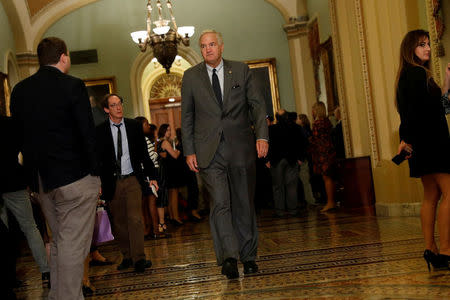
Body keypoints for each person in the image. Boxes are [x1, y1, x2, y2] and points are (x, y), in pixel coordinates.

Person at [10, 37, 101, 299]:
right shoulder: (72, 85)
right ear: (63, 57)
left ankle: (57, 296)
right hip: (75, 177)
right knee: (73, 246)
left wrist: (30, 178)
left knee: (60, 242)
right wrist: (97, 173)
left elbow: (20, 137)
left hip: (41, 179)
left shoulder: (20, 90)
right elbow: (87, 133)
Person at [181, 29, 269, 279]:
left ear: (221, 47)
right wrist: (189, 151)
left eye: (211, 44)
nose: (207, 49)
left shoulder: (241, 70)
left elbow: (257, 105)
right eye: (203, 46)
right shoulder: (190, 77)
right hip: (209, 152)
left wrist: (262, 136)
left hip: (241, 148)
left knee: (243, 202)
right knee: (220, 204)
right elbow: (186, 116)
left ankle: (249, 256)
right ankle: (229, 258)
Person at [395, 29, 450, 270]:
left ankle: (431, 249)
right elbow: (424, 112)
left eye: (428, 44)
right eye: (421, 45)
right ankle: (447, 250)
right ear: (411, 50)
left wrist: (446, 84)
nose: (427, 48)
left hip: (420, 144)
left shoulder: (406, 75)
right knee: (449, 193)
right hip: (433, 142)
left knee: (431, 196)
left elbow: (433, 108)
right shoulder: (417, 74)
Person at [96, 93, 158, 273]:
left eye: (120, 104)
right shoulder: (100, 131)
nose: (118, 108)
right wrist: (97, 182)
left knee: (135, 218)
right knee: (119, 222)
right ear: (107, 109)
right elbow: (97, 159)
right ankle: (127, 256)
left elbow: (144, 154)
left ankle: (139, 258)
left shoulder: (134, 126)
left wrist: (152, 175)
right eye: (114, 105)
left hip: (132, 178)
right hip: (112, 181)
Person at [0, 116, 50, 287]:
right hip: (14, 180)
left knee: (3, 234)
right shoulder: (11, 123)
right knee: (30, 227)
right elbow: (26, 152)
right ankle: (46, 271)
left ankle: (9, 276)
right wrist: (30, 180)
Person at [266, 110, 305, 217]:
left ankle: (280, 211)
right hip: (292, 160)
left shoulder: (271, 129)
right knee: (291, 186)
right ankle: (293, 210)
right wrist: (300, 158)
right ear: (287, 117)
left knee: (278, 187)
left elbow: (268, 145)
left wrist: (267, 160)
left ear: (276, 118)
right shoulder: (295, 127)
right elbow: (302, 142)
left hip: (276, 161)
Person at [309, 101, 337, 213]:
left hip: (323, 154)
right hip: (329, 152)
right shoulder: (327, 122)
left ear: (317, 110)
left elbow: (316, 140)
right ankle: (331, 201)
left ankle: (330, 202)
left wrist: (309, 140)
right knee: (330, 178)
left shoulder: (318, 123)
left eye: (313, 109)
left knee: (327, 178)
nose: (312, 112)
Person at [157, 124, 184, 225]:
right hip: (170, 171)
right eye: (167, 130)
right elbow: (175, 155)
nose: (169, 132)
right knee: (174, 194)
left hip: (167, 170)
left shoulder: (159, 141)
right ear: (163, 131)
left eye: (170, 130)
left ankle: (173, 217)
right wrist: (178, 149)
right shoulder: (165, 142)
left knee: (171, 194)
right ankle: (175, 218)